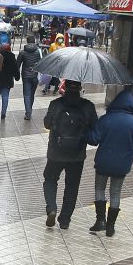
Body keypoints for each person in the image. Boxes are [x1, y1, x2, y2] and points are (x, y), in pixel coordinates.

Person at [42, 79, 99, 229]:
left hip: (56, 152)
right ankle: (65, 220)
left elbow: (47, 124)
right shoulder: (88, 106)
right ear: (80, 88)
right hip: (77, 155)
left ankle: (52, 208)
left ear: (64, 87)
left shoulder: (56, 104)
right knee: (72, 186)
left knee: (50, 179)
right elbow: (95, 129)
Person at [88, 88, 133, 237]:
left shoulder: (106, 119)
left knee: (100, 189)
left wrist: (88, 129)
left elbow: (94, 139)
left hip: (103, 162)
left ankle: (100, 222)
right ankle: (110, 227)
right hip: (122, 164)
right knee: (115, 193)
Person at [15, 36, 44, 120]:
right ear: (34, 41)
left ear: (27, 42)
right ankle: (29, 109)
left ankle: (28, 112)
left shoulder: (23, 52)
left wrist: (16, 76)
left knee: (27, 94)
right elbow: (41, 63)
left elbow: (17, 65)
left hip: (26, 76)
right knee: (32, 94)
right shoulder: (38, 51)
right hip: (35, 75)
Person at [0, 43, 19, 119]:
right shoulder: (12, 57)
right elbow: (16, 69)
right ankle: (3, 113)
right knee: (5, 97)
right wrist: (17, 77)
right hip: (7, 81)